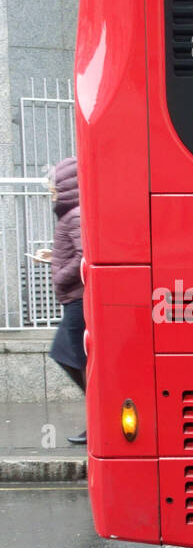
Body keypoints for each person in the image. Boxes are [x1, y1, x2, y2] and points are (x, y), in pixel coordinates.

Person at [34, 157, 86, 445]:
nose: (51, 190)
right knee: (72, 359)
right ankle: (97, 419)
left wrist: (61, 277)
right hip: (73, 299)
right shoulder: (71, 215)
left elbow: (83, 257)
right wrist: (52, 259)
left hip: (77, 300)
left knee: (73, 359)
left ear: (66, 184)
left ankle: (99, 419)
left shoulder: (75, 214)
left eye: (54, 184)